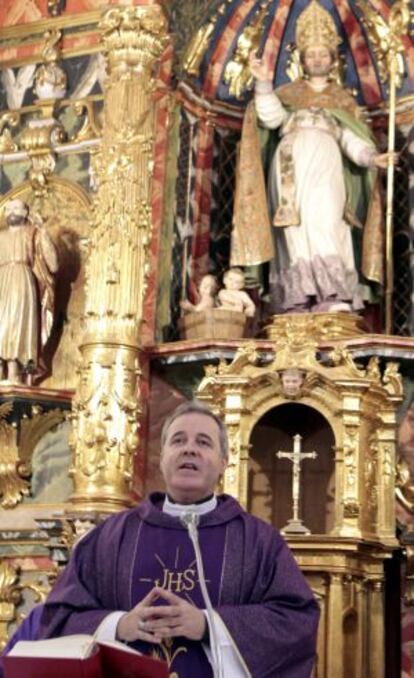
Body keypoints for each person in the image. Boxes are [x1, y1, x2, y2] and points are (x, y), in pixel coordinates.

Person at [38, 400, 319, 677]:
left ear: (224, 463)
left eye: (203, 442)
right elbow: (58, 619)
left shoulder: (258, 542)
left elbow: (296, 623)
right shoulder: (110, 538)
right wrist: (118, 625)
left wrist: (209, 625)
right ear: (162, 459)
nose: (189, 449)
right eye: (178, 440)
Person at [232, 0, 397, 315]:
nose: (318, 58)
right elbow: (270, 118)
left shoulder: (342, 100)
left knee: (326, 219)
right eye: (312, 54)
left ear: (333, 59)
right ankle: (297, 298)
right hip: (289, 170)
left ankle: (332, 293)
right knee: (293, 227)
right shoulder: (288, 95)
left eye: (323, 53)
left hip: (326, 165)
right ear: (302, 59)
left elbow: (350, 138)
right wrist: (264, 83)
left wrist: (371, 158)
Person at [0, 198, 58, 383]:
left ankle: (15, 373)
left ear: (26, 213)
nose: (11, 212)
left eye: (16, 208)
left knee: (17, 325)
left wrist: (43, 232)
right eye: (7, 209)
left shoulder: (33, 234)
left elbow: (54, 265)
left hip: (22, 283)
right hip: (1, 282)